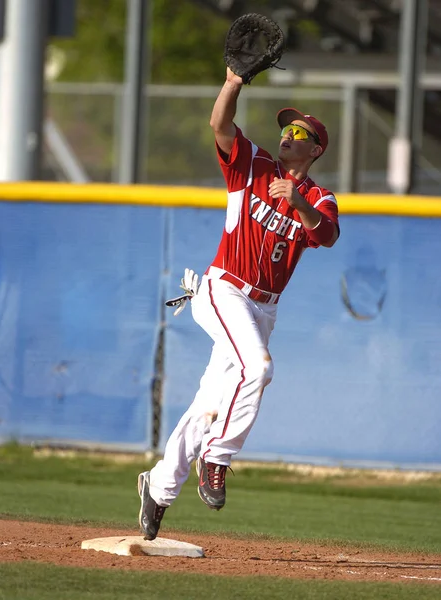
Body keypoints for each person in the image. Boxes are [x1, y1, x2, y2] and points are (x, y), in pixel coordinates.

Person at [137, 67, 340, 541]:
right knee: (260, 368)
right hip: (223, 288)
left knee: (209, 406)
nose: (288, 136)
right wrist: (232, 82)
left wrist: (301, 203)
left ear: (315, 150)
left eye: (301, 133)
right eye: (286, 129)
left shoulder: (318, 197)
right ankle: (218, 458)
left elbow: (327, 235)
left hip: (261, 310)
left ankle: (160, 488)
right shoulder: (254, 165)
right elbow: (220, 126)